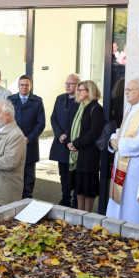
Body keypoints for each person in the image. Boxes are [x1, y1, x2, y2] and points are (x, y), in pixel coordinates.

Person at [107, 78, 139, 224]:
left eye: (129, 90)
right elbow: (122, 130)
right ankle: (115, 225)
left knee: (130, 200)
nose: (126, 93)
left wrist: (121, 144)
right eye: (126, 90)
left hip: (134, 165)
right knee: (118, 199)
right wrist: (113, 140)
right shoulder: (130, 107)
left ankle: (129, 228)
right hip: (121, 160)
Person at [65, 80, 106, 212]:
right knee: (79, 186)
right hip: (77, 153)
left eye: (81, 90)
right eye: (78, 90)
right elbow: (71, 127)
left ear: (90, 91)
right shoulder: (79, 107)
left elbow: (94, 133)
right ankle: (79, 212)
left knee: (88, 188)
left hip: (89, 154)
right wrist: (69, 142)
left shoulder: (96, 108)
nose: (78, 92)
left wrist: (77, 143)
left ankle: (87, 214)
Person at [8, 75, 46, 199]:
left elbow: (41, 123)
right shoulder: (10, 100)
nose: (24, 87)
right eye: (21, 85)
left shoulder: (37, 101)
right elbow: (6, 121)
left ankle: (27, 200)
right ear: (18, 86)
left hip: (30, 144)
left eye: (26, 85)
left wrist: (29, 138)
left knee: (28, 176)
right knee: (13, 175)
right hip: (13, 144)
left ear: (31, 86)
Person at [49, 74, 80, 207]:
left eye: (71, 83)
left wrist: (67, 138)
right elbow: (53, 118)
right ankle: (65, 197)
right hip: (60, 142)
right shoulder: (60, 98)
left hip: (73, 143)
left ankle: (76, 201)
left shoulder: (80, 101)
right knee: (63, 173)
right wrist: (59, 134)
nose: (67, 86)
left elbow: (77, 122)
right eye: (66, 83)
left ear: (77, 85)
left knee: (74, 173)